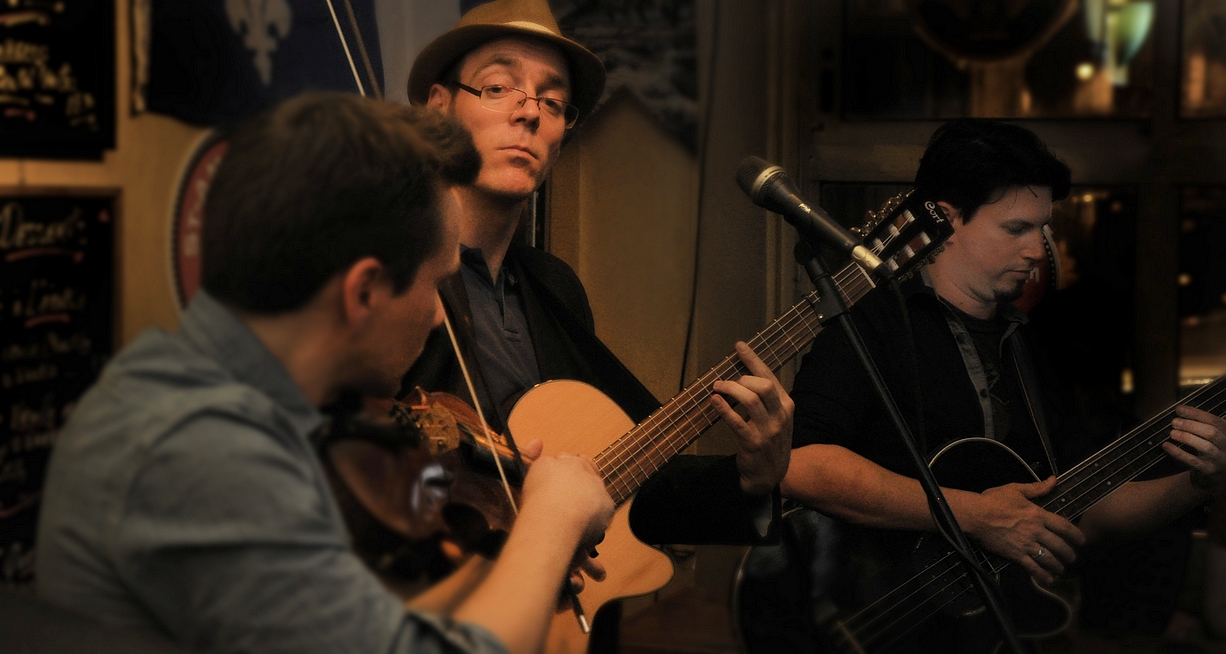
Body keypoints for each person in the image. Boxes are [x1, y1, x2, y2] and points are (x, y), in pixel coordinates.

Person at [35, 92, 614, 654]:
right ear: (362, 291)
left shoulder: (199, 386)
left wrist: (505, 529)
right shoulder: (199, 451)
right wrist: (551, 518)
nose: (440, 317)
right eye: (436, 284)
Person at [781, 118, 1226, 650]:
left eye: (1042, 228)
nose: (1038, 250)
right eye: (1016, 229)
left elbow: (1091, 507)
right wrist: (974, 516)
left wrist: (1200, 483)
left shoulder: (1029, 346)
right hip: (865, 618)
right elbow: (801, 463)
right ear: (945, 221)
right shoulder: (872, 321)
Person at [402, 0, 791, 552]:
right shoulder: (393, 270)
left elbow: (624, 479)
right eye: (496, 87)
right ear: (438, 108)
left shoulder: (553, 286)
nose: (529, 112)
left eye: (553, 100)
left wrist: (751, 477)